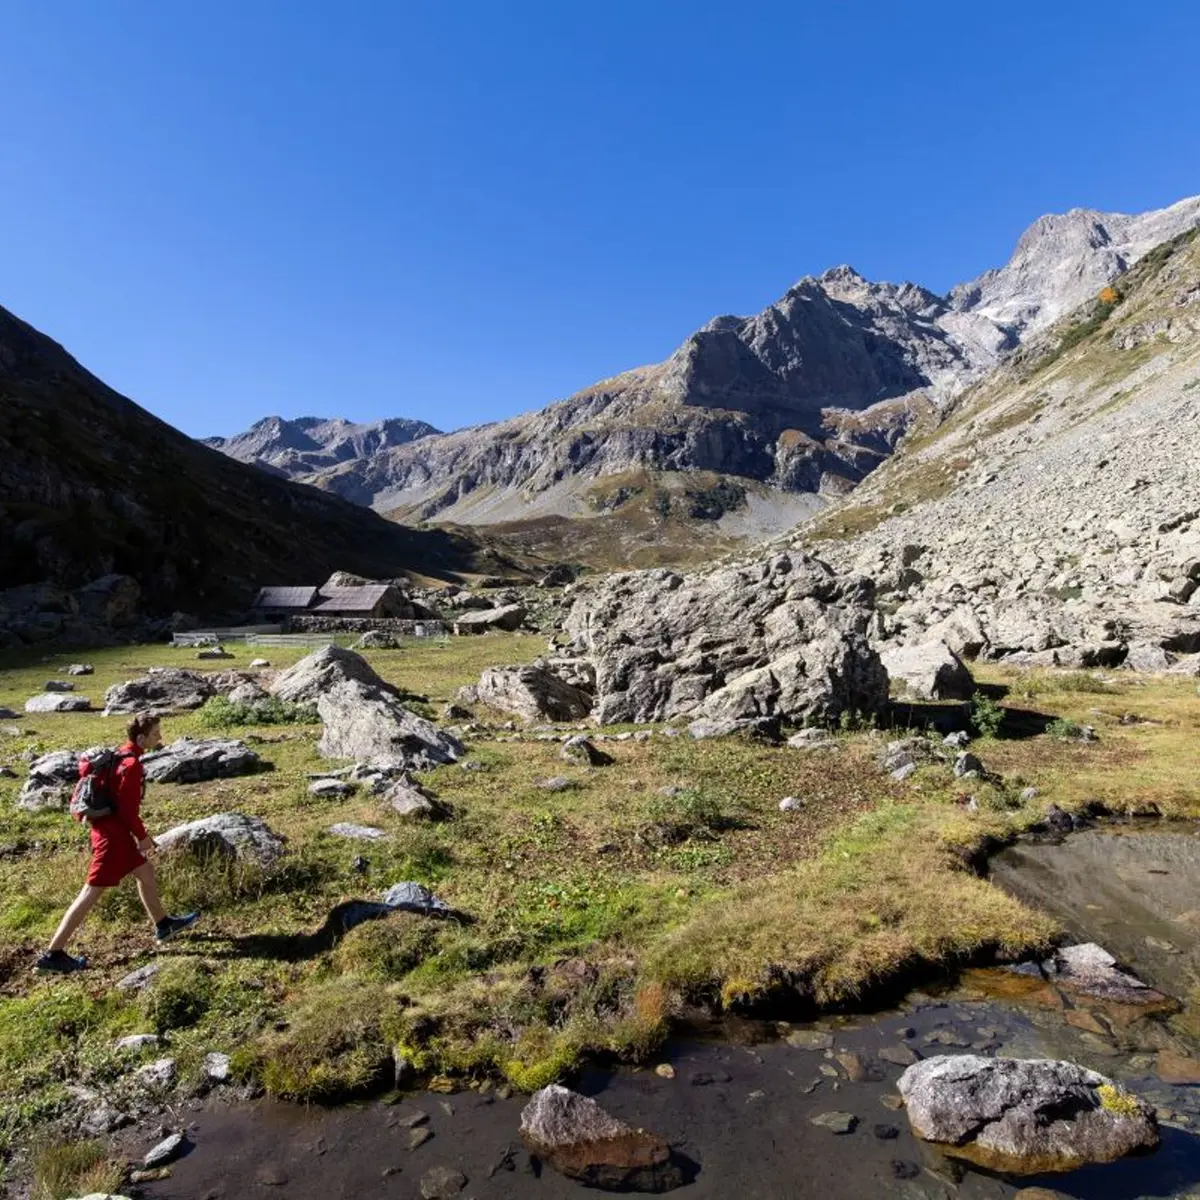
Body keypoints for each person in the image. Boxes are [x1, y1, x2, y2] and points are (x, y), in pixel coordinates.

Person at [35, 712, 200, 974]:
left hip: (109, 833)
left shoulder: (118, 754)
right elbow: (127, 810)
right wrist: (143, 837)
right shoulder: (131, 765)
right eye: (155, 734)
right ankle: (53, 955)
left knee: (145, 872)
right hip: (112, 839)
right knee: (90, 893)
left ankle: (163, 924)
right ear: (141, 738)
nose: (160, 737)